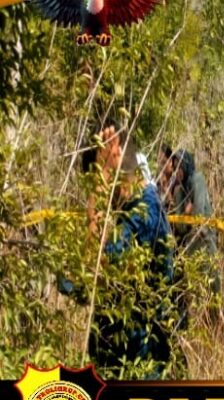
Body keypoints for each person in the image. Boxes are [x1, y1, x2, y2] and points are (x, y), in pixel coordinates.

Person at [61, 121, 174, 378]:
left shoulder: (144, 214)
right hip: (120, 364)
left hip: (136, 367)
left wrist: (97, 190)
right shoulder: (132, 213)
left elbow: (93, 269)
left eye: (96, 178)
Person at [171, 149, 219, 292]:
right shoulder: (179, 191)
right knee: (196, 289)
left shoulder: (197, 179)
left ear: (186, 165)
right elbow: (180, 226)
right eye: (174, 168)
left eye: (179, 167)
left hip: (205, 237)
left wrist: (189, 215)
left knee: (213, 281)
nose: (176, 172)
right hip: (190, 244)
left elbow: (198, 214)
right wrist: (186, 212)